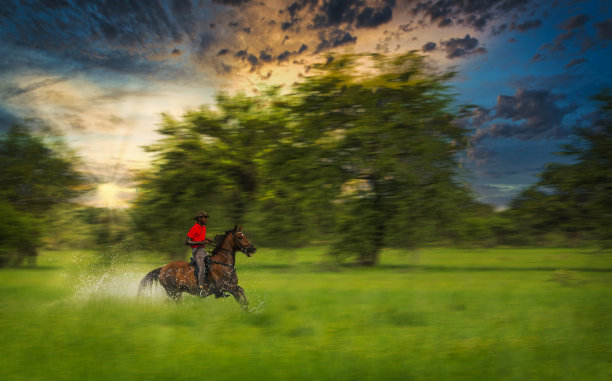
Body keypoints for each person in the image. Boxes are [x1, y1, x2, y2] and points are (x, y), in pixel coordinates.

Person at [185, 211, 213, 295]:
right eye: (204, 218)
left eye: (206, 218)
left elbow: (201, 240)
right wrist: (201, 242)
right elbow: (187, 242)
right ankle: (200, 288)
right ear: (199, 219)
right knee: (202, 267)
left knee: (212, 263)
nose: (205, 220)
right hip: (196, 251)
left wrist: (207, 240)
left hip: (202, 250)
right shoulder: (194, 228)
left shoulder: (203, 228)